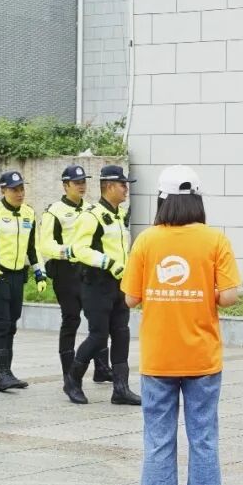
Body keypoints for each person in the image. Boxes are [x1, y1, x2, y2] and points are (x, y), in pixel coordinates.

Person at [121, 165, 240, 485]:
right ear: (197, 199)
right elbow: (230, 296)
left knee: (158, 440)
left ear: (161, 200)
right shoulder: (214, 239)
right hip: (202, 358)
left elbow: (131, 298)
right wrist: (203, 292)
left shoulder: (146, 241)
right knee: (204, 439)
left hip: (159, 358)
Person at [39, 164, 113, 405]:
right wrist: (69, 251)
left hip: (89, 272)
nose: (82, 186)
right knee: (71, 320)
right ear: (65, 185)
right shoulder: (54, 212)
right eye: (76, 182)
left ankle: (102, 368)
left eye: (84, 181)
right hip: (66, 272)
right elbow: (45, 245)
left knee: (98, 320)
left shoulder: (91, 209)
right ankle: (68, 373)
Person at [69, 164, 140, 406]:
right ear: (109, 186)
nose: (126, 189)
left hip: (120, 285)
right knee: (99, 336)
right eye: (123, 185)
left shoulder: (119, 215)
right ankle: (72, 380)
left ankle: (121, 389)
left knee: (121, 334)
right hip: (96, 284)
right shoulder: (91, 216)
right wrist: (108, 263)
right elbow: (79, 249)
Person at [0, 171, 48, 392]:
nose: (20, 193)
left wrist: (39, 273)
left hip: (17, 276)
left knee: (11, 325)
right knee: (1, 325)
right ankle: (2, 374)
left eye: (22, 189)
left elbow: (33, 247)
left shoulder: (28, 213)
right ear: (3, 190)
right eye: (14, 189)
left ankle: (7, 373)